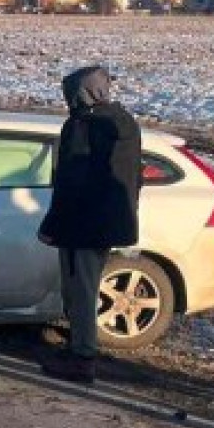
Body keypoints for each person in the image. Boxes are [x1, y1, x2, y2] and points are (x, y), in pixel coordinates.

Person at [37, 65, 141, 383]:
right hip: (107, 222)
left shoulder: (84, 125)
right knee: (86, 286)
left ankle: (82, 356)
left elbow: (73, 180)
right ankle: (79, 350)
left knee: (79, 290)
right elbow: (133, 177)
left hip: (81, 223)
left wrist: (54, 224)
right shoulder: (124, 122)